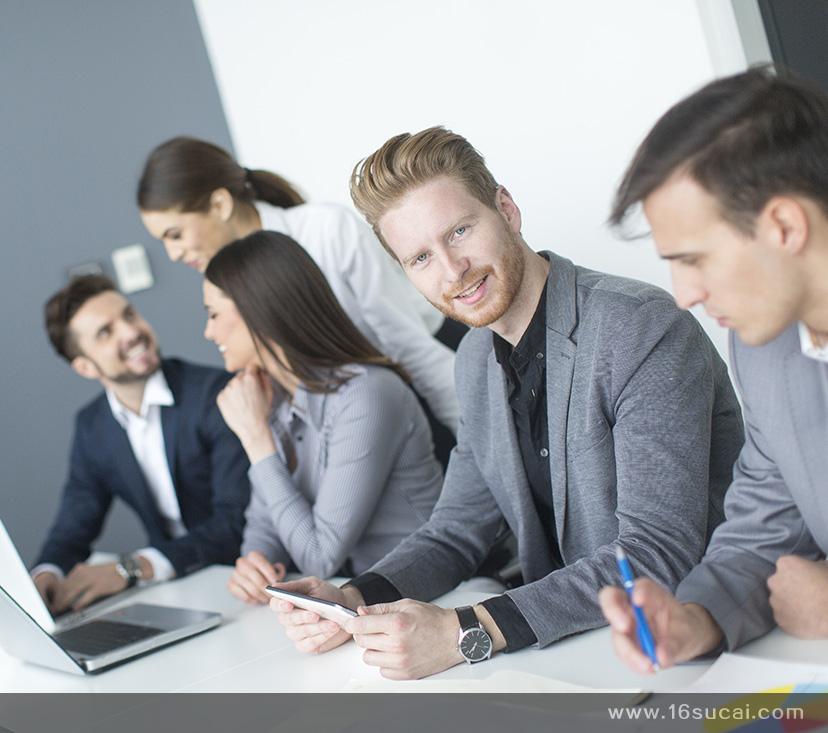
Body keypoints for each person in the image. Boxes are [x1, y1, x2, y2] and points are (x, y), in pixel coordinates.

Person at [268, 125, 746, 679]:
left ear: (507, 209)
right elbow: (457, 531)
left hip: (705, 649)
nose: (452, 271)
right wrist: (353, 600)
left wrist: (466, 631)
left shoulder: (637, 326)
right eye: (420, 257)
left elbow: (657, 552)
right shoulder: (474, 360)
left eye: (460, 231)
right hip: (581, 654)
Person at [599, 68, 828, 672]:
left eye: (694, 260)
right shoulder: (764, 348)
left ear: (783, 225)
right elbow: (762, 527)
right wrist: (693, 621)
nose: (683, 295)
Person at [136, 136, 460, 469]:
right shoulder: (224, 282)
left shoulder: (327, 231)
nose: (173, 254)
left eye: (175, 235)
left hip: (424, 380)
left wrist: (477, 438)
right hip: (353, 420)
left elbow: (408, 346)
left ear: (220, 205)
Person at [203, 231, 443, 604]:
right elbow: (264, 528)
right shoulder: (275, 398)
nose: (208, 331)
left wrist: (256, 439)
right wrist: (255, 565)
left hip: (431, 597)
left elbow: (320, 556)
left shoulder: (366, 395)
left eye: (214, 314)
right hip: (353, 605)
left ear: (257, 310)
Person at [32, 275, 252, 613]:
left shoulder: (214, 395)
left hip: (246, 581)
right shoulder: (92, 426)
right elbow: (75, 520)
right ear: (85, 367)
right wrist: (46, 572)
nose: (131, 332)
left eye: (129, 315)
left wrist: (132, 569)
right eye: (106, 332)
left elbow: (236, 521)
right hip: (178, 594)